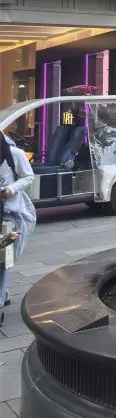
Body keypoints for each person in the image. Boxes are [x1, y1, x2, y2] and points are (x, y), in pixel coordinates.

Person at [0, 135, 36, 323]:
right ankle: (3, 294)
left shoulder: (14, 154)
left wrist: (11, 189)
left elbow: (28, 176)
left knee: (3, 262)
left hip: (11, 215)